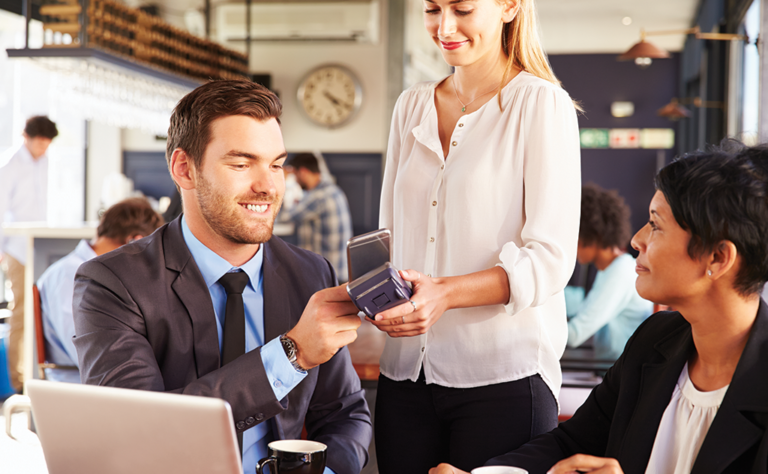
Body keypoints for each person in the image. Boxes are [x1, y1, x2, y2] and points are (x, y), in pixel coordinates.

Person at [72, 80, 372, 474]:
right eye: (242, 164)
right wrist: (291, 354)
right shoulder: (112, 282)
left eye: (276, 165)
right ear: (185, 169)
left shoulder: (310, 273)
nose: (268, 187)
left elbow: (345, 413)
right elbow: (139, 433)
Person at [430, 141, 768, 474]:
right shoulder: (654, 341)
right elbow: (571, 443)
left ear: (718, 257)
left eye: (656, 225)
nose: (637, 240)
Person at [371, 0, 581, 471]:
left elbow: (549, 259)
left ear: (509, 6)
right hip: (404, 375)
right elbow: (390, 236)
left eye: (463, 9)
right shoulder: (410, 105)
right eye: (432, 9)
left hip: (503, 377)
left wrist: (444, 294)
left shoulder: (541, 103)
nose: (444, 27)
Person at [37, 198, 164, 383]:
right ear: (135, 241)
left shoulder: (88, 272)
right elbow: (90, 354)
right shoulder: (70, 275)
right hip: (80, 388)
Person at [0, 115, 58, 393]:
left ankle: (37, 377)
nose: (43, 148)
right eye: (40, 142)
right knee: (21, 313)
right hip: (16, 248)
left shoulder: (44, 162)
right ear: (27, 138)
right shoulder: (10, 165)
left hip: (39, 246)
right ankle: (17, 383)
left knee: (40, 311)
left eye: (47, 143)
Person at [565, 184, 653, 360]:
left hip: (617, 370)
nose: (570, 245)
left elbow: (575, 335)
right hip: (610, 366)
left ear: (592, 235)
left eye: (574, 236)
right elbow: (584, 305)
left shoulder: (620, 273)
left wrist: (528, 330)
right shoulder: (611, 269)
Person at [278, 153, 353, 281]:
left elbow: (283, 217)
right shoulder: (333, 190)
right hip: (339, 270)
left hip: (327, 275)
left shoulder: (319, 197)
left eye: (295, 175)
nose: (295, 180)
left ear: (303, 172)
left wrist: (281, 182)